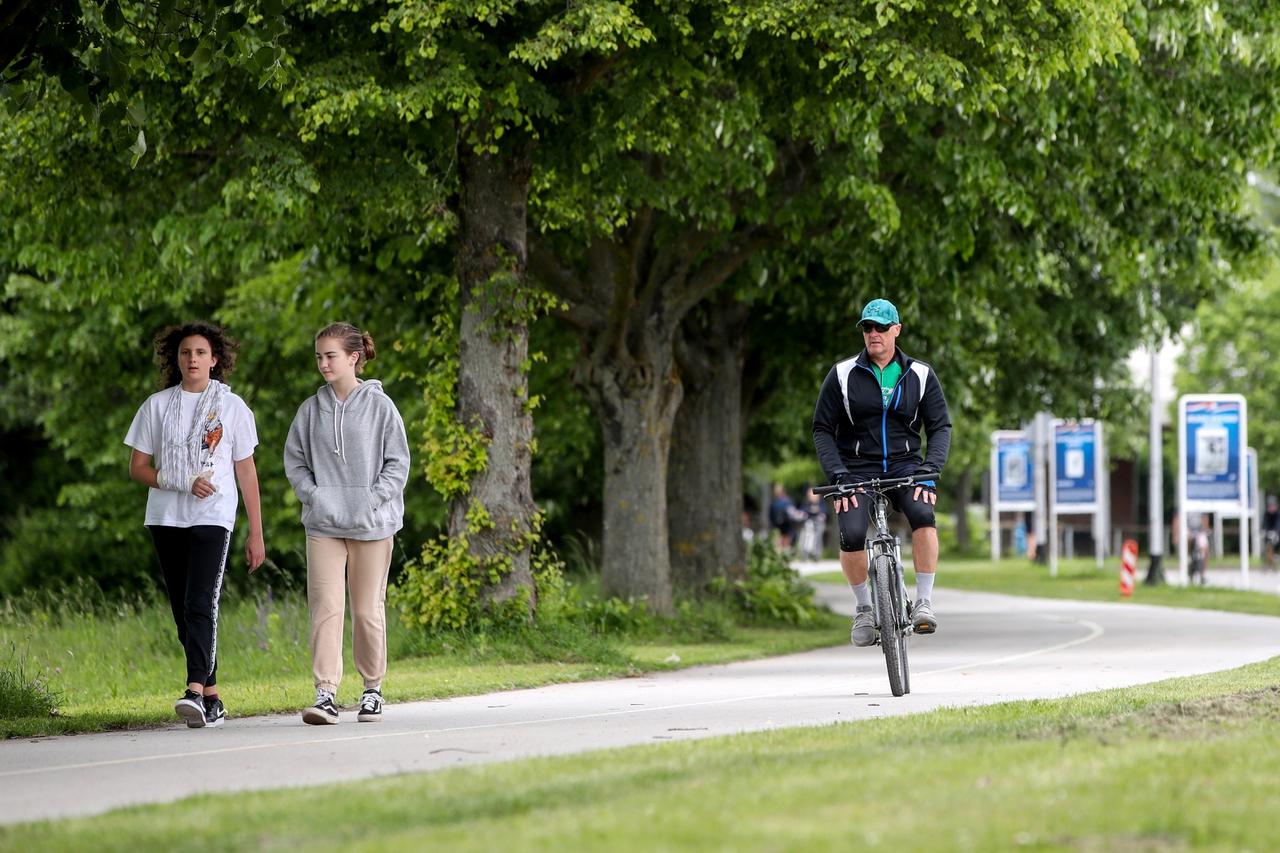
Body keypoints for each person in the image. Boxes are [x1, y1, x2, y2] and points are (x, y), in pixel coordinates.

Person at [124, 322, 266, 728]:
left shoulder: (232, 406)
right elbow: (138, 468)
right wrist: (181, 481)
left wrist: (256, 532)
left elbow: (247, 470)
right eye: (186, 353)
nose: (193, 360)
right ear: (177, 359)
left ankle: (193, 692)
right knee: (182, 613)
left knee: (200, 603)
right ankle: (214, 697)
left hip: (213, 517)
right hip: (166, 517)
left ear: (214, 359)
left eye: (201, 353)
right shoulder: (156, 405)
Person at [285, 323, 410, 725]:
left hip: (372, 525)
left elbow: (398, 464)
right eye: (319, 356)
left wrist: (370, 501)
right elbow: (296, 462)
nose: (323, 363)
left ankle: (372, 689)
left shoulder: (381, 407)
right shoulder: (310, 410)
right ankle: (325, 694)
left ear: (353, 357)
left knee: (367, 609)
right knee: (326, 607)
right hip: (324, 524)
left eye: (330, 356)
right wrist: (317, 497)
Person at [812, 298, 952, 647]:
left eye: (880, 327)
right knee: (852, 531)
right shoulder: (842, 375)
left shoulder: (920, 374)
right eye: (867, 328)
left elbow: (940, 427)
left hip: (906, 466)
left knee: (923, 512)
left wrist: (929, 471)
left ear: (896, 330)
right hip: (856, 469)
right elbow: (822, 429)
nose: (873, 333)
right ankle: (863, 608)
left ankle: (923, 601)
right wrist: (838, 476)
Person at [1263, 494, 1279, 570]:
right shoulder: (1266, 514)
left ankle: (1273, 561)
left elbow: (1278, 524)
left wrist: (1275, 532)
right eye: (1270, 506)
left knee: (1273, 544)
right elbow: (1265, 523)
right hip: (1268, 534)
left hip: (1276, 534)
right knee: (1267, 546)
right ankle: (1269, 562)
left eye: (1273, 506)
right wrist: (1264, 531)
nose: (1271, 508)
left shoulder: (1278, 514)